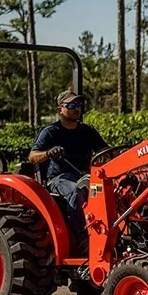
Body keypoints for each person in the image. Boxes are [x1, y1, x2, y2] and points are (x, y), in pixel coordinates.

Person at [29, 91, 107, 244]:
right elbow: (32, 156)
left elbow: (106, 151)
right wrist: (48, 153)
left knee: (113, 190)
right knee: (75, 191)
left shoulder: (87, 131)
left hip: (85, 176)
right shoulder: (51, 131)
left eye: (78, 105)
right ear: (60, 110)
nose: (76, 108)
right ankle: (84, 240)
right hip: (59, 179)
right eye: (71, 105)